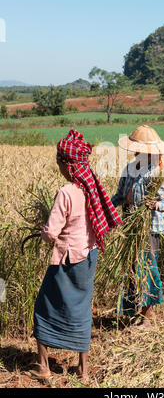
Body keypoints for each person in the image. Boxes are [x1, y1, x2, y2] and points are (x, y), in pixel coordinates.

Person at [31, 129, 122, 381]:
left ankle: (43, 367)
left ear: (66, 164)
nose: (58, 165)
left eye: (59, 161)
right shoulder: (91, 188)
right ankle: (82, 370)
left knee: (43, 307)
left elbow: (52, 233)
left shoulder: (66, 192)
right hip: (89, 256)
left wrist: (43, 233)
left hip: (67, 259)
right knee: (82, 308)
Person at [111, 125, 164, 329]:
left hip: (149, 227)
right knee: (131, 267)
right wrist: (103, 207)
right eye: (136, 150)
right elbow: (119, 195)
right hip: (131, 223)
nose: (138, 153)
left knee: (146, 267)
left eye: (142, 150)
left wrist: (154, 204)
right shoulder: (129, 169)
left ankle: (149, 315)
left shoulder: (156, 173)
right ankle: (134, 311)